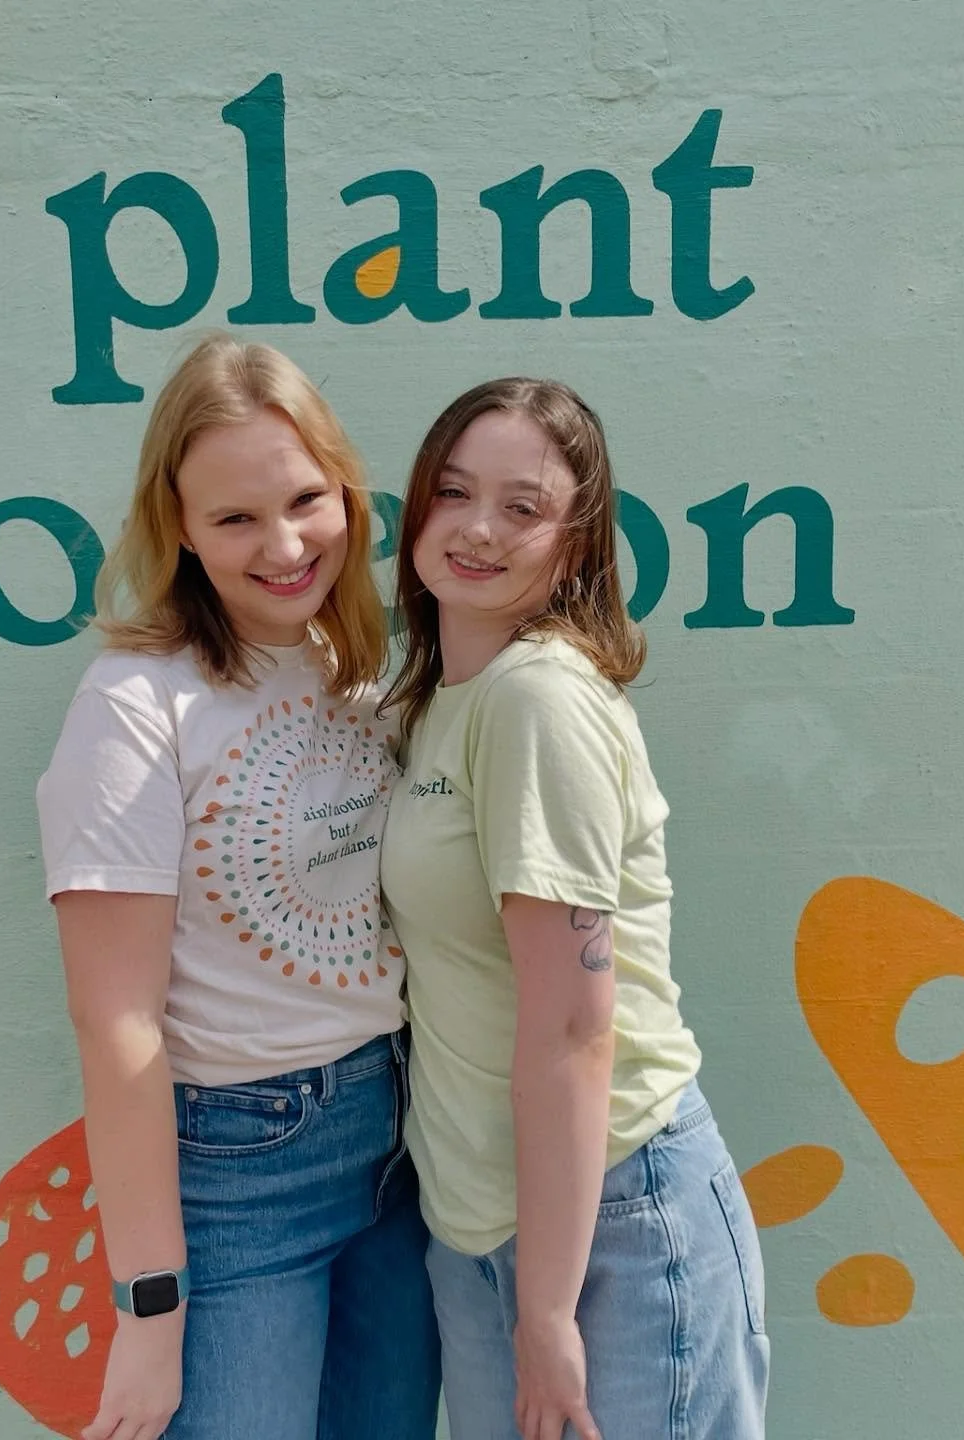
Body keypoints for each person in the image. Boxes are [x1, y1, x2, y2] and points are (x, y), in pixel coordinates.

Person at [36, 334, 441, 1440]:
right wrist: (150, 1307)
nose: (285, 543)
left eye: (308, 499)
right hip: (237, 1174)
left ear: (348, 494)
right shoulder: (133, 706)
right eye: (235, 519)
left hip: (398, 1145)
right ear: (177, 528)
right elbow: (112, 1020)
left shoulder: (352, 667)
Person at [379, 378, 770, 1440]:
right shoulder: (439, 700)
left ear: (576, 542)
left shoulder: (536, 700)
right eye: (454, 492)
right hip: (479, 1230)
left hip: (609, 1227)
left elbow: (572, 1026)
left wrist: (549, 1311)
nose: (477, 529)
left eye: (523, 507)